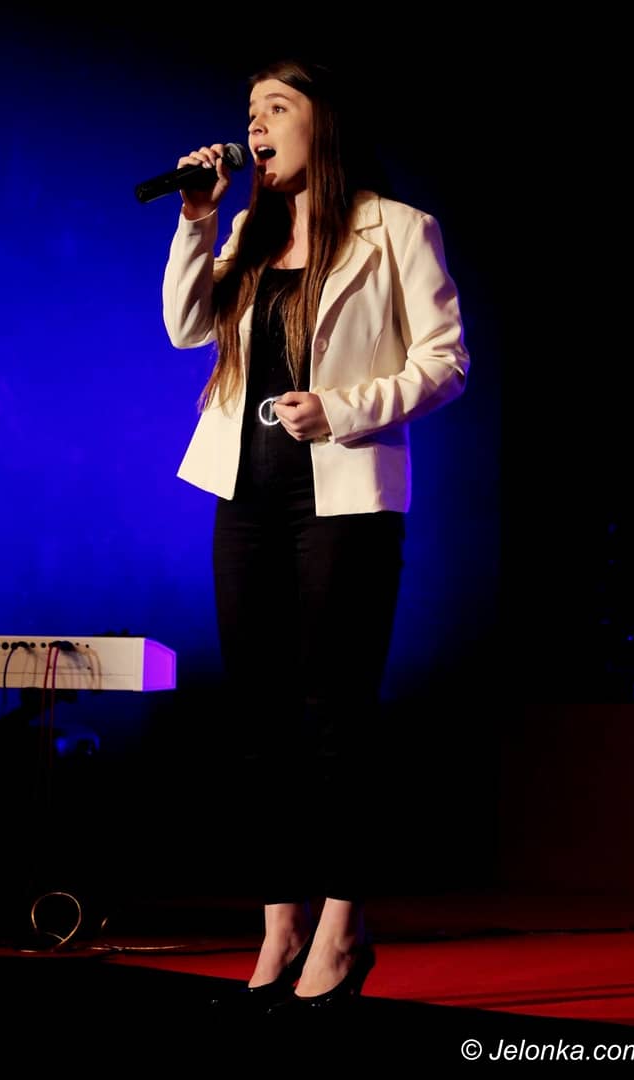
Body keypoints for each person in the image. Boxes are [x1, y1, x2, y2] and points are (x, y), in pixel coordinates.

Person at [161, 57, 470, 1011]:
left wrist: (341, 408)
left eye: (276, 108)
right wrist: (197, 219)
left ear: (321, 123)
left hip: (344, 500)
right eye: (249, 111)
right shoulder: (246, 233)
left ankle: (341, 924)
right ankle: (280, 923)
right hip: (244, 497)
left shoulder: (398, 228)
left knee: (334, 716)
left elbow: (447, 362)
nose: (255, 126)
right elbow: (184, 328)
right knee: (258, 722)